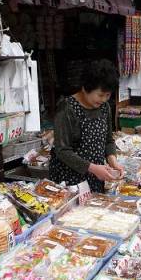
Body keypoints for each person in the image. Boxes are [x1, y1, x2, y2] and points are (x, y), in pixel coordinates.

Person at [49, 59, 124, 193]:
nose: (104, 99)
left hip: (96, 177)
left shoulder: (104, 108)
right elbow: (62, 150)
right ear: (85, 88)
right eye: (100, 95)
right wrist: (93, 168)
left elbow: (108, 140)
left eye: (108, 95)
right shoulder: (67, 108)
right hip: (70, 180)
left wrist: (112, 161)